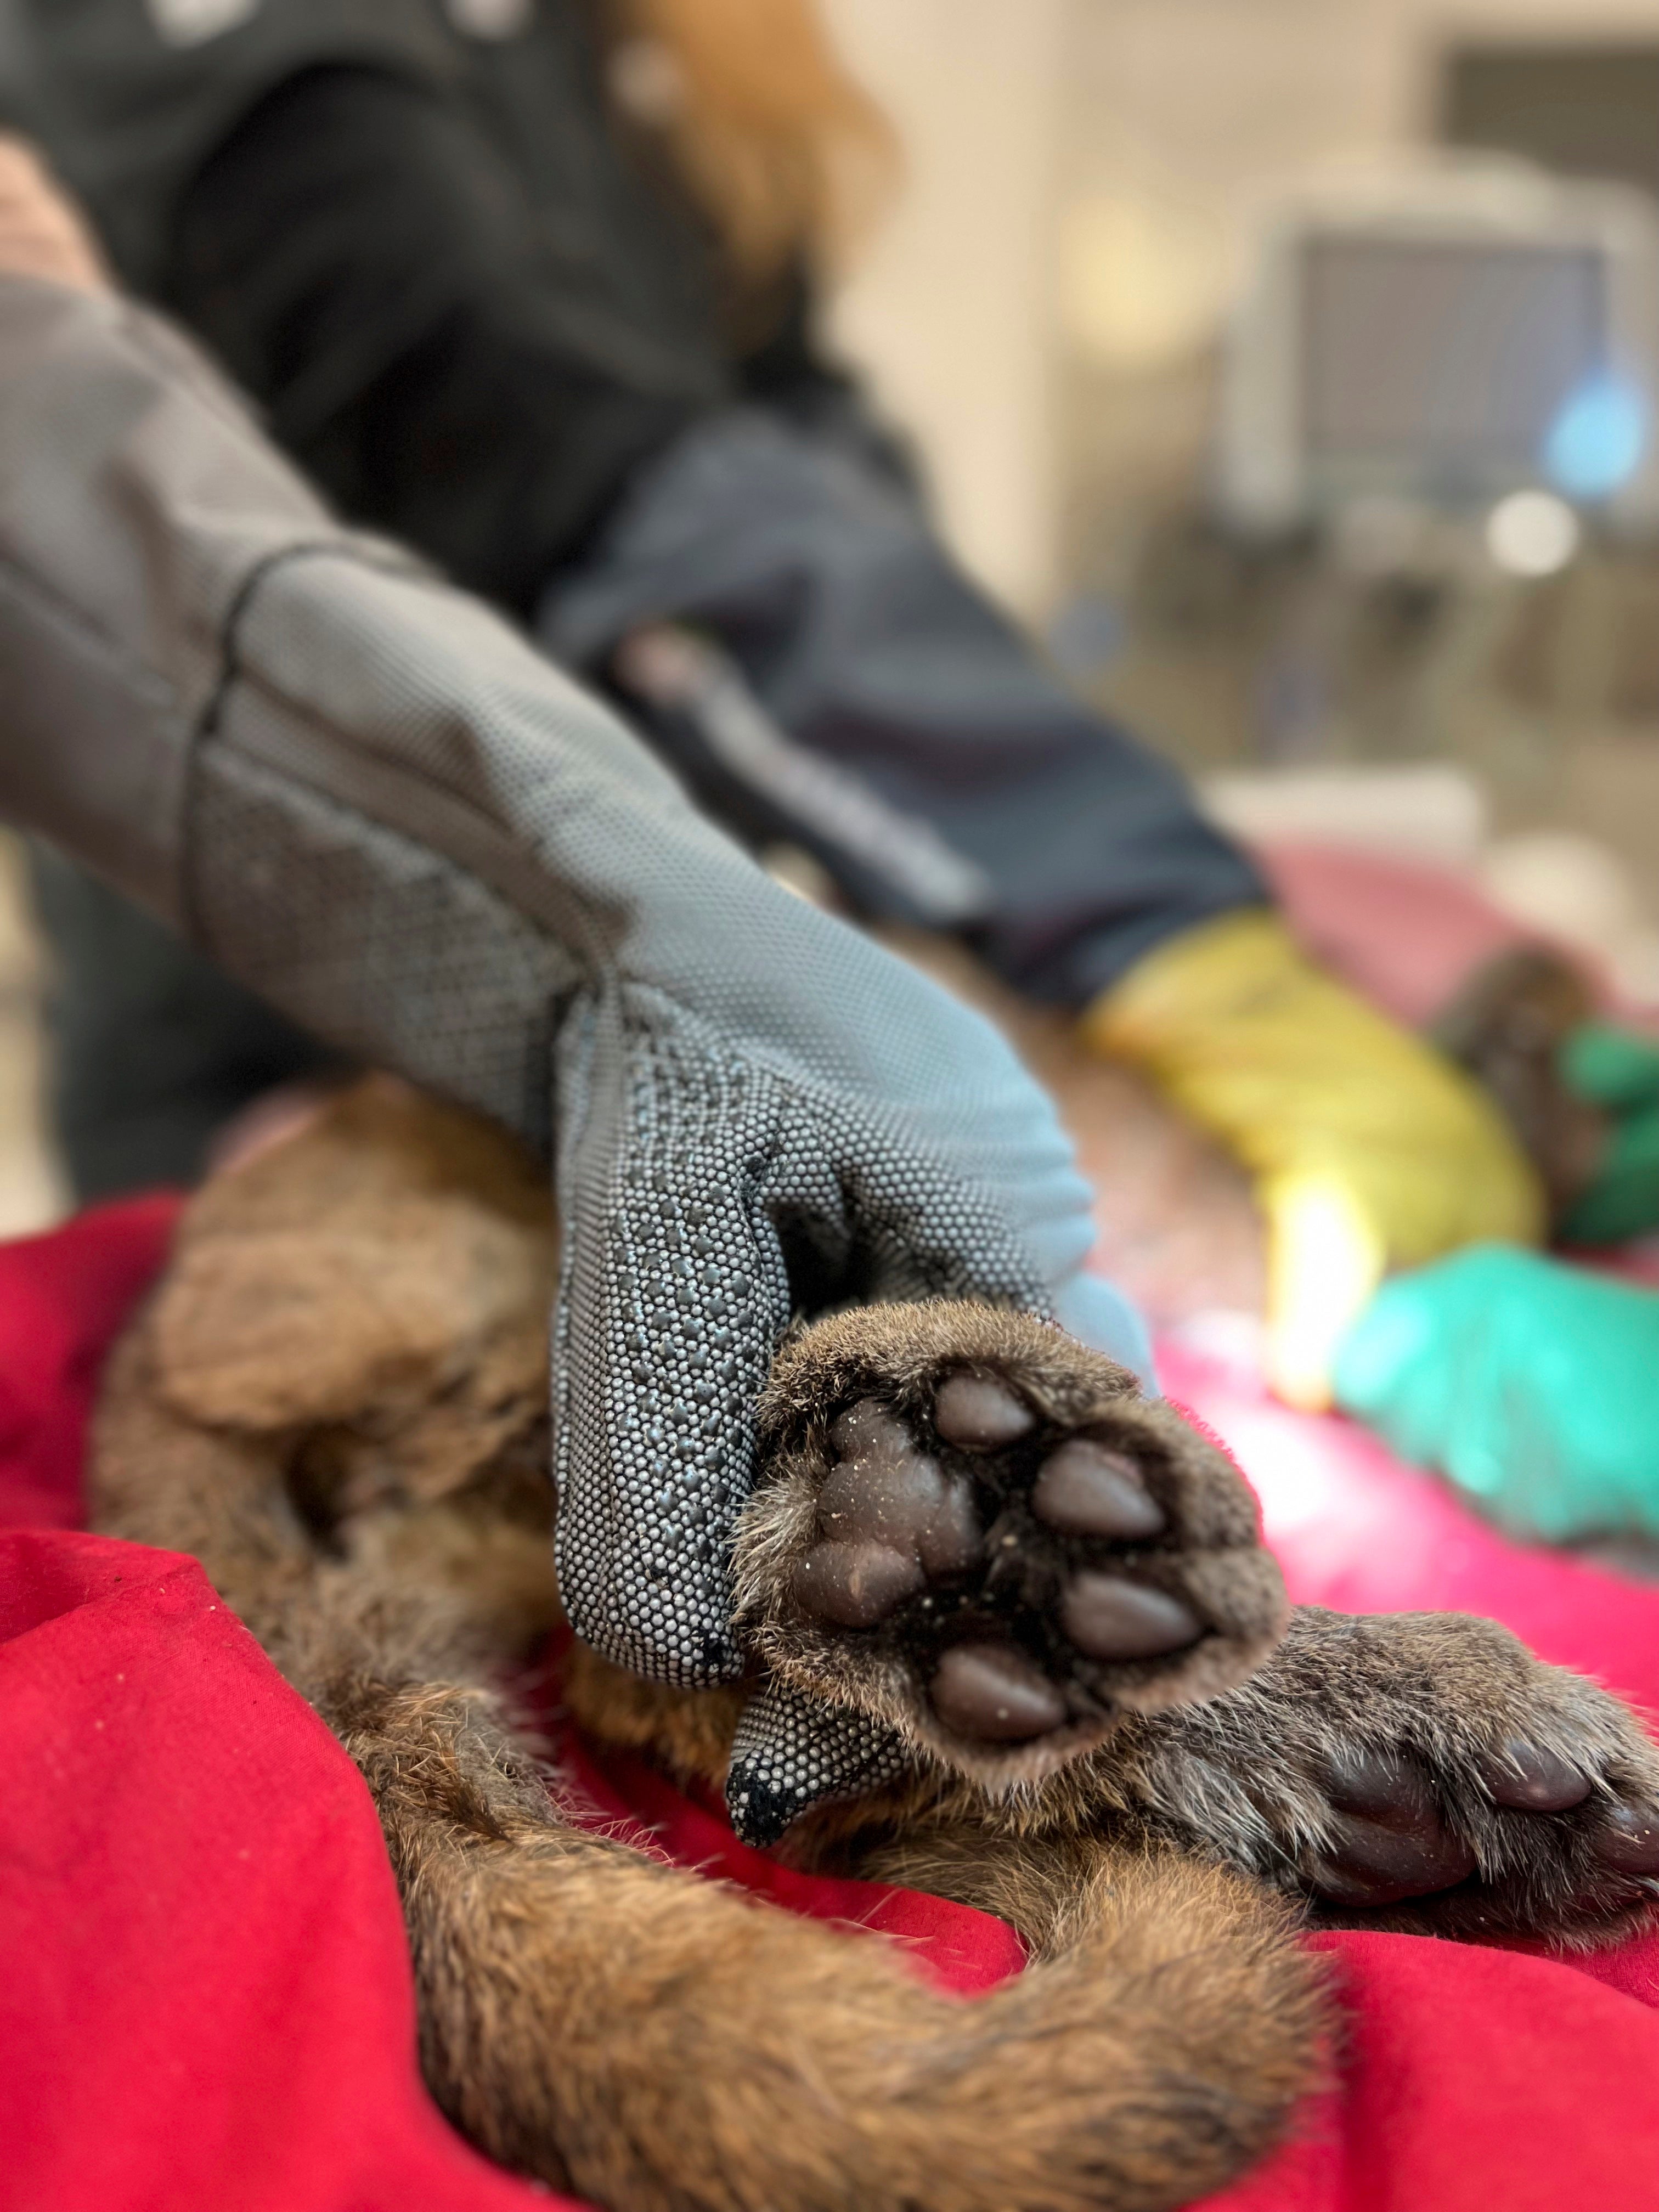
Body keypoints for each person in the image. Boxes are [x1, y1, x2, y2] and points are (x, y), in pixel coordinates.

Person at [0, 0, 1542, 1410]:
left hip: (669, 979)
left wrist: (1081, 911)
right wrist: (1140, 909)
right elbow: (542, 447)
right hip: (313, 1045)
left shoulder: (639, 58)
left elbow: (803, 465)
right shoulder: (221, 67)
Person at [0, 129, 1146, 1829]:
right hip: (256, 1016)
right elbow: (579, 455)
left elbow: (85, 502)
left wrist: (644, 929)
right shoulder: (291, 83)